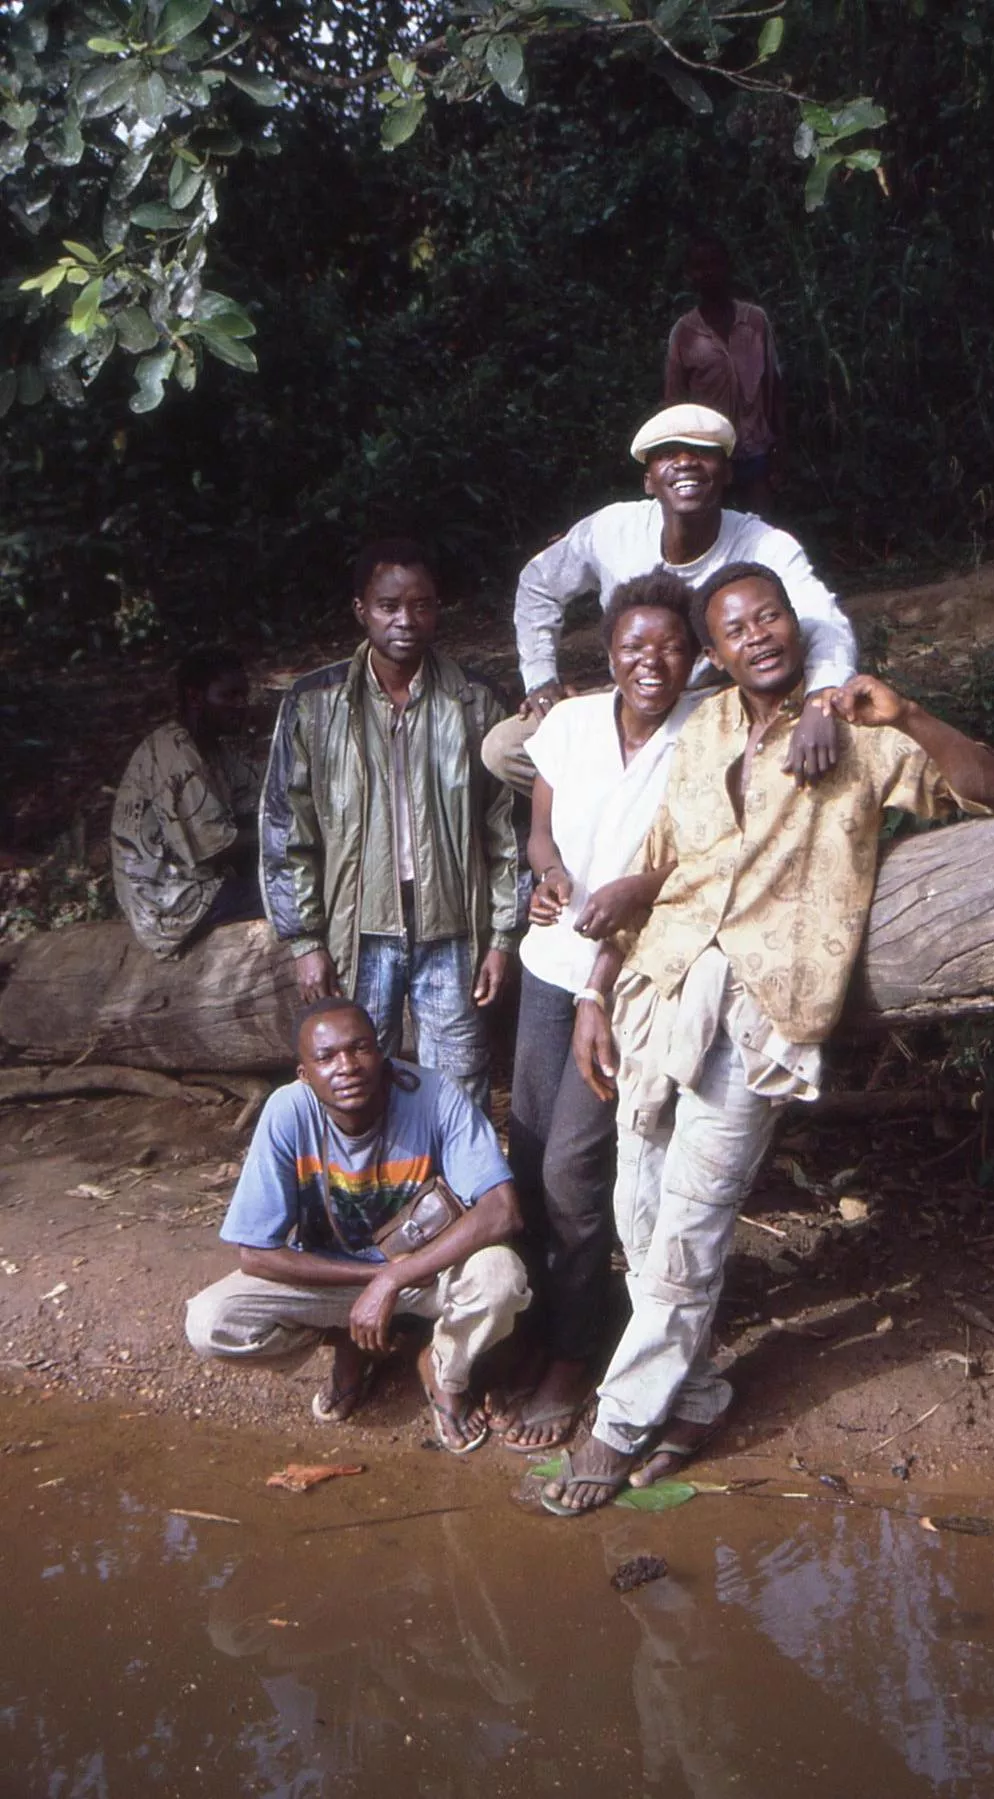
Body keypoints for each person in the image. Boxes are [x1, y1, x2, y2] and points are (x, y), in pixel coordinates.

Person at [541, 561, 994, 1515]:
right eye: (734, 628)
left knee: (691, 1214)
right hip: (657, 987)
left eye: (769, 617)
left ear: (793, 627)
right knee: (638, 1207)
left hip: (765, 1003)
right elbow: (655, 866)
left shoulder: (855, 725)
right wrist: (594, 992)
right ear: (714, 655)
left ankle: (616, 1424)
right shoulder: (707, 727)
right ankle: (702, 1390)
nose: (756, 634)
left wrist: (904, 713)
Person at [495, 571, 701, 1452]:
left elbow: (708, 856)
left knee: (574, 1173)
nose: (649, 662)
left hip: (635, 977)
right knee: (529, 1150)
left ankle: (576, 1358)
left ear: (692, 656)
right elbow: (539, 830)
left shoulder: (707, 732)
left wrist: (635, 887)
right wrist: (546, 876)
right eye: (631, 647)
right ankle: (556, 1319)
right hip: (549, 967)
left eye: (667, 646)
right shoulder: (573, 723)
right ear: (607, 654)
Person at [185, 997, 529, 1453]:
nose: (346, 1066)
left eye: (359, 1048)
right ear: (304, 1075)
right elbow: (255, 1252)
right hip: (338, 1276)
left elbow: (502, 1210)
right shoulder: (288, 1112)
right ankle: (350, 1342)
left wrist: (395, 1278)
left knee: (500, 1277)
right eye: (326, 1057)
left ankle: (445, 1370)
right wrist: (375, 1280)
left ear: (381, 1053)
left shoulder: (434, 1095)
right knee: (212, 1322)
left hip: (426, 1272)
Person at [260, 538, 518, 1112]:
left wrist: (502, 936)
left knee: (459, 1083)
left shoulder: (475, 701)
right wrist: (304, 940)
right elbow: (286, 830)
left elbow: (506, 829)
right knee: (354, 1083)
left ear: (437, 609)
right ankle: (373, 1195)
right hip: (359, 929)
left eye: (421, 605)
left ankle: (459, 1198)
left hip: (453, 927)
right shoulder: (315, 705)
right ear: (361, 610)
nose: (406, 620)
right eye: (388, 605)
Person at [481, 402, 856, 795]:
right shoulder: (613, 530)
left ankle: (653, 806)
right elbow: (538, 583)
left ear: (727, 472)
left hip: (714, 705)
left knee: (775, 757)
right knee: (506, 747)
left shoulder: (763, 544)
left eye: (703, 452)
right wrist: (543, 680)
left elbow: (822, 622)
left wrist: (820, 700)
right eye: (666, 455)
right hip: (633, 696)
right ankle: (619, 807)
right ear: (649, 480)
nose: (685, 463)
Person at [111, 645, 264, 958]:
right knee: (299, 892)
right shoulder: (173, 749)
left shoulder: (216, 753)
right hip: (168, 901)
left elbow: (260, 807)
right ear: (195, 698)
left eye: (243, 696)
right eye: (229, 696)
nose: (240, 705)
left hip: (203, 884)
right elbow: (215, 844)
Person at [664, 233, 784, 514]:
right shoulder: (683, 333)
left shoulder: (755, 321)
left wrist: (781, 450)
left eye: (714, 264)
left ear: (728, 267)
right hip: (709, 454)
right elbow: (674, 404)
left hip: (755, 451)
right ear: (689, 275)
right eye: (698, 267)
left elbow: (774, 386)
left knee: (759, 532)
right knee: (713, 536)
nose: (707, 274)